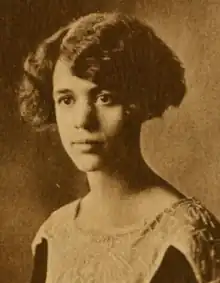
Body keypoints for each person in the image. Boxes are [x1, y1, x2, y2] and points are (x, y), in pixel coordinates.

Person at [18, 12, 220, 283]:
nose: (82, 120)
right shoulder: (54, 235)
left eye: (104, 97)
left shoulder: (185, 237)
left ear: (141, 103)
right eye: (66, 100)